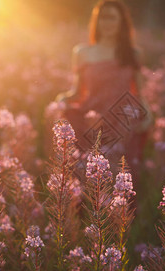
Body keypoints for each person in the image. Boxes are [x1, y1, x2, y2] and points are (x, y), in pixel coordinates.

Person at [55, 0, 153, 193]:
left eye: (112, 18)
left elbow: (139, 94)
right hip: (91, 124)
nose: (107, 23)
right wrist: (61, 100)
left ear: (121, 23)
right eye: (103, 18)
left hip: (121, 125)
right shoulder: (83, 53)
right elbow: (77, 93)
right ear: (96, 22)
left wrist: (148, 114)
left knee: (120, 181)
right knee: (87, 183)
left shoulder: (133, 54)